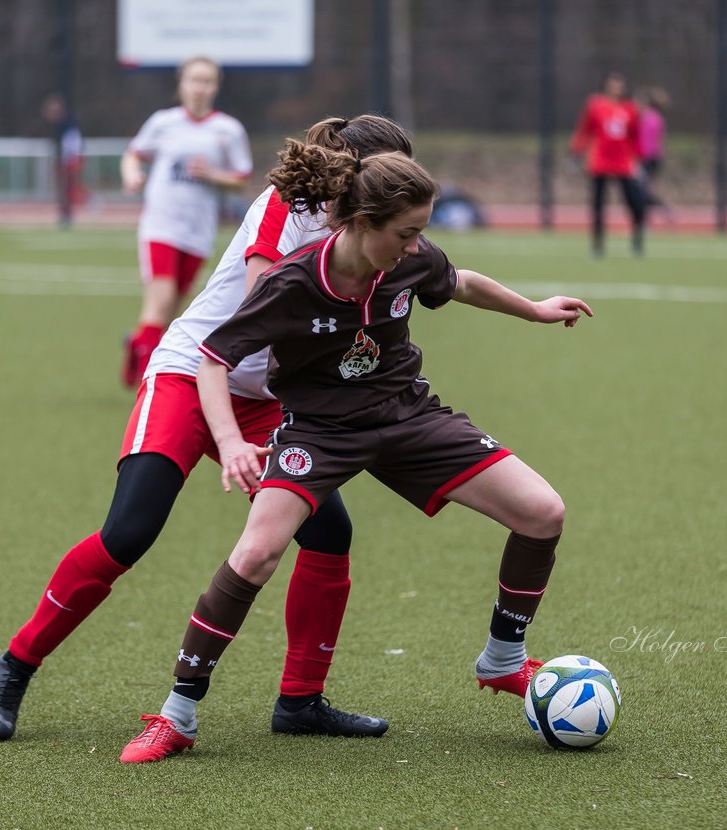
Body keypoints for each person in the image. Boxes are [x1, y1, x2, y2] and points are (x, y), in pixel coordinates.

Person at [117, 144, 592, 763]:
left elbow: (461, 281)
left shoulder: (410, 260)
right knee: (257, 553)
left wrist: (533, 310)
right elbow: (213, 358)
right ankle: (178, 714)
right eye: (406, 232)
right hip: (319, 433)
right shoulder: (291, 281)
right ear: (362, 223)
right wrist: (231, 441)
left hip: (407, 416)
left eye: (422, 232)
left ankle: (503, 658)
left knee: (543, 512)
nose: (416, 245)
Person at [0, 115, 415, 744]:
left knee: (328, 531)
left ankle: (300, 702)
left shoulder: (369, 234)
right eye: (392, 177)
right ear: (357, 173)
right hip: (192, 374)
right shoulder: (284, 207)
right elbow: (265, 301)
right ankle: (17, 664)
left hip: (264, 398)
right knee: (130, 531)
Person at [119, 56, 253, 388]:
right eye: (194, 80)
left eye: (206, 81)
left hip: (198, 231)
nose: (199, 87)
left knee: (170, 310)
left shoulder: (228, 130)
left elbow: (241, 178)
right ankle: (148, 383)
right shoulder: (163, 123)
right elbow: (133, 153)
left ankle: (137, 344)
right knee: (161, 301)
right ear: (181, 84)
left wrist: (212, 175)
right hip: (161, 225)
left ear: (215, 87)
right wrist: (133, 175)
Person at [569, 71, 647, 257]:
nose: (615, 88)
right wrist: (576, 152)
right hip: (600, 162)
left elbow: (635, 137)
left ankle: (637, 240)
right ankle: (597, 244)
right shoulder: (595, 105)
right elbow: (584, 130)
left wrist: (640, 160)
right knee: (598, 205)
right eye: (612, 84)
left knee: (634, 202)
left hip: (623, 162)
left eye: (618, 85)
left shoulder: (630, 109)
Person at [42, 93, 86, 229]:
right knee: (64, 189)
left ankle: (73, 212)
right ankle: (65, 215)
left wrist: (70, 161)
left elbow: (72, 145)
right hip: (65, 159)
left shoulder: (67, 124)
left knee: (68, 188)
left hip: (70, 160)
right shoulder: (60, 124)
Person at [638, 86, 673, 222]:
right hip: (654, 158)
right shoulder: (657, 118)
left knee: (642, 190)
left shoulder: (648, 118)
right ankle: (653, 214)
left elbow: (646, 141)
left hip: (647, 158)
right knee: (645, 189)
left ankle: (658, 210)